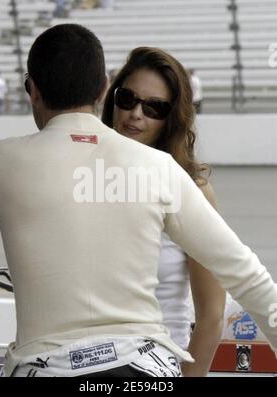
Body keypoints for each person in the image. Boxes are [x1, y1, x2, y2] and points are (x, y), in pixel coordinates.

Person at [0, 24, 277, 378]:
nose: (137, 114)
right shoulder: (161, 170)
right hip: (146, 371)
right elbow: (247, 276)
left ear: (32, 90)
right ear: (104, 88)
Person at [102, 47, 226, 376]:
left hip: (158, 368)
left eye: (154, 107)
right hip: (89, 367)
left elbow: (212, 314)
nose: (135, 114)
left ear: (171, 118)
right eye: (126, 99)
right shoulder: (86, 178)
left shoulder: (191, 191)